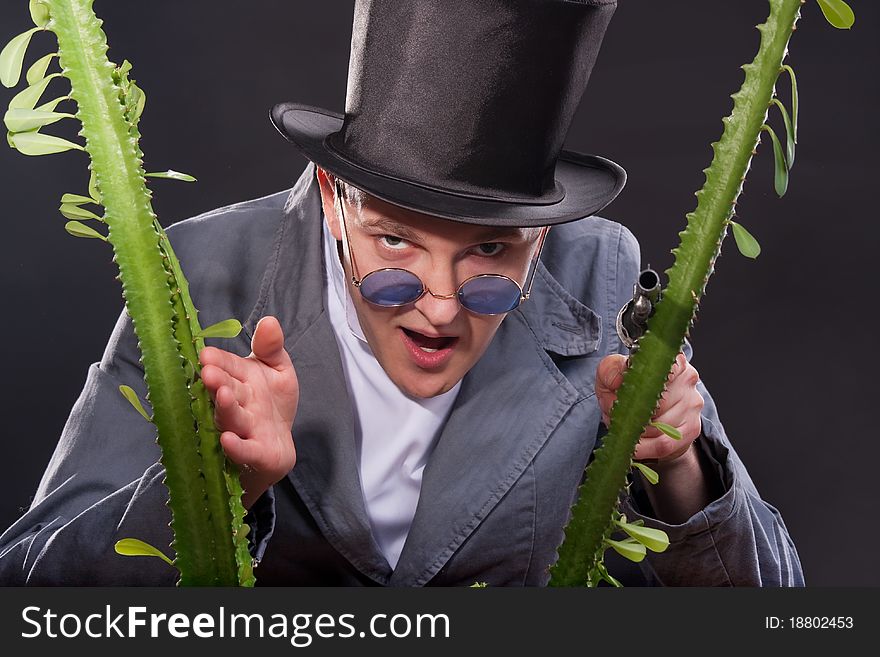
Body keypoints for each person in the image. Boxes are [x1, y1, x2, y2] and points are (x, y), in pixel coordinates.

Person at [0, 0, 802, 586]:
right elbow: (30, 591)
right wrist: (218, 486)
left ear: (545, 235)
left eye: (490, 250)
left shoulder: (606, 279)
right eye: (395, 242)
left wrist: (679, 469)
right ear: (330, 194)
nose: (443, 305)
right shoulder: (196, 273)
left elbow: (777, 606)